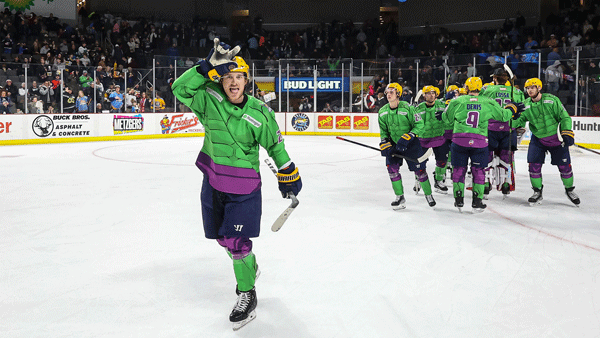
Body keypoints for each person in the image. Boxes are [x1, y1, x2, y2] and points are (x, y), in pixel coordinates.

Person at [171, 39, 302, 330]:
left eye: (238, 77)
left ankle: (247, 294)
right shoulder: (208, 98)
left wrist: (288, 171)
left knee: (237, 243)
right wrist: (205, 67)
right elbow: (179, 89)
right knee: (222, 239)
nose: (233, 82)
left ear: (247, 81)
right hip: (213, 181)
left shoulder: (260, 113)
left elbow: (276, 146)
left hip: (244, 188)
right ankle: (249, 267)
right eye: (228, 76)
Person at [437, 77, 522, 212]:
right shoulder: (488, 102)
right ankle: (477, 201)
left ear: (466, 88)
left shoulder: (457, 101)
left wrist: (441, 115)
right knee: (479, 171)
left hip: (459, 141)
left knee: (459, 170)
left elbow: (447, 120)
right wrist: (512, 108)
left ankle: (458, 199)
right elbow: (504, 116)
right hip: (480, 142)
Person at [511, 78, 580, 206]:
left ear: (539, 88)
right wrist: (513, 116)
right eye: (528, 88)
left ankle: (569, 190)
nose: (529, 90)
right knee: (533, 166)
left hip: (556, 140)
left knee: (565, 168)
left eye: (532, 87)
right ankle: (537, 192)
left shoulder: (552, 100)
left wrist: (566, 132)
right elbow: (519, 122)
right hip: (538, 139)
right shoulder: (526, 105)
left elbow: (564, 117)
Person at [378, 82, 435, 210]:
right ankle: (400, 197)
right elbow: (384, 132)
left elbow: (419, 125)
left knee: (420, 171)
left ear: (398, 93)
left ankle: (428, 194)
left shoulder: (409, 108)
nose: (388, 94)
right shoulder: (382, 112)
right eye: (387, 92)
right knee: (392, 170)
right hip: (394, 144)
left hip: (411, 144)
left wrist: (409, 136)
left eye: (392, 92)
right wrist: (384, 143)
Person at [479, 67, 525, 198]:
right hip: (508, 129)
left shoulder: (487, 90)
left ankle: (487, 182)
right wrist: (519, 125)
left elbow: (480, 106)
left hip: (490, 128)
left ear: (494, 78)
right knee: (506, 156)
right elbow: (522, 111)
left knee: (487, 155)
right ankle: (505, 183)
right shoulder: (516, 91)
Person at [415, 85, 451, 194]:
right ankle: (419, 179)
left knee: (442, 161)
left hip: (439, 137)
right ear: (424, 95)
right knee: (420, 162)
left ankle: (439, 181)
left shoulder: (442, 105)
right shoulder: (418, 108)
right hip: (423, 139)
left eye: (433, 93)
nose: (431, 95)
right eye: (428, 93)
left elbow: (449, 117)